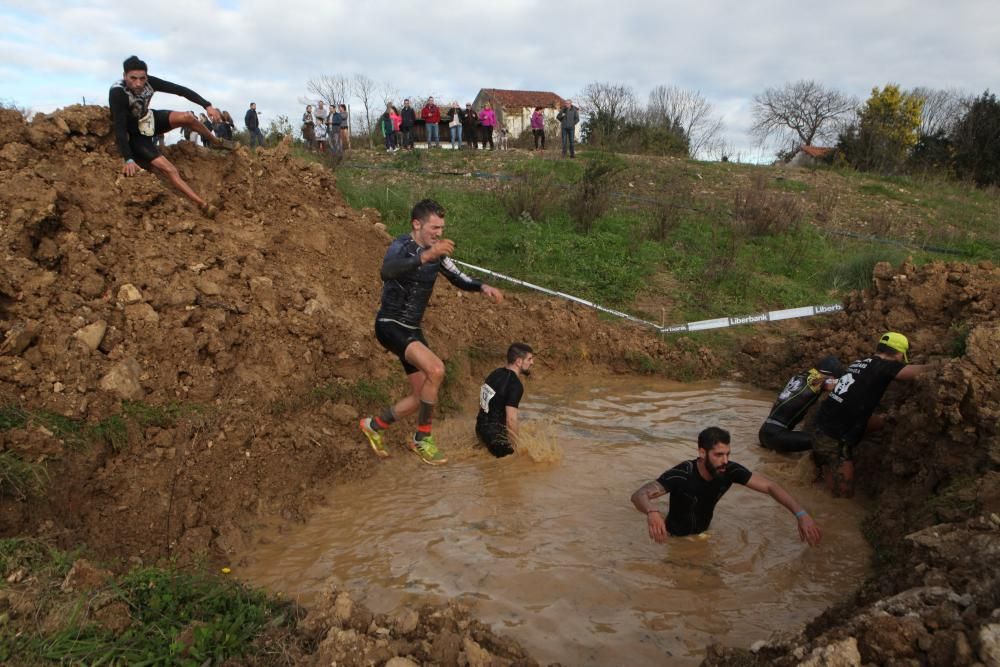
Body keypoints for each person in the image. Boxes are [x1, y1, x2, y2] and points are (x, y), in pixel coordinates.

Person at [359, 199, 504, 465]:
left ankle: (374, 425)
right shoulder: (402, 246)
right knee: (436, 370)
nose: (439, 233)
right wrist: (424, 256)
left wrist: (483, 287)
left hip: (411, 330)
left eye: (442, 228)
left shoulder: (439, 256)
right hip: (390, 325)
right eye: (434, 227)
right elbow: (386, 271)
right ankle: (421, 439)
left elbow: (459, 278)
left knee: (420, 396)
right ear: (417, 224)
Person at [631, 427, 822, 546]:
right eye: (719, 455)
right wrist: (652, 512)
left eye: (728, 454)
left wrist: (801, 514)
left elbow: (771, 486)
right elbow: (640, 495)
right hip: (672, 541)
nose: (725, 460)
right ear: (702, 453)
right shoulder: (682, 474)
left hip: (704, 536)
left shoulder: (729, 471)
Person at [109, 55, 231, 218]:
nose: (138, 83)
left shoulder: (150, 82)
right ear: (125, 76)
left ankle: (216, 142)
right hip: (136, 135)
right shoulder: (118, 92)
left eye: (142, 78)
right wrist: (128, 158)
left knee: (188, 117)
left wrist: (207, 105)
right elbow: (119, 126)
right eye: (133, 78)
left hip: (149, 119)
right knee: (170, 169)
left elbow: (179, 90)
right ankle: (203, 205)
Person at [811, 332, 929, 497]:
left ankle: (819, 473)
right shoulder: (884, 366)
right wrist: (940, 366)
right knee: (842, 495)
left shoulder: (859, 363)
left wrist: (889, 420)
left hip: (822, 425)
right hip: (835, 437)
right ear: (899, 354)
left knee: (881, 422)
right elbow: (911, 373)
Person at [758, 356, 843, 453]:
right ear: (830, 375)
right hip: (777, 436)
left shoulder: (799, 376)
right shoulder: (816, 380)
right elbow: (840, 383)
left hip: (764, 433)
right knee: (825, 441)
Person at [476, 343, 535, 457]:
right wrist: (517, 445)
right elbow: (511, 420)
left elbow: (482, 401)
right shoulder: (515, 385)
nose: (532, 362)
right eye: (529, 359)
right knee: (516, 464)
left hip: (480, 429)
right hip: (497, 439)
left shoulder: (495, 373)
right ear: (519, 361)